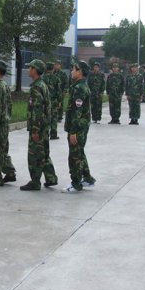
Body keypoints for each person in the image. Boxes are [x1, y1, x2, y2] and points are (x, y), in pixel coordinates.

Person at [20, 59, 58, 191]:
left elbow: (37, 109)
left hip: (38, 127)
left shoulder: (36, 87)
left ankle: (35, 182)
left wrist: (35, 129)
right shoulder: (43, 85)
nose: (28, 70)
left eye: (30, 68)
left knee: (34, 155)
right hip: (44, 126)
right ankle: (51, 178)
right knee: (43, 153)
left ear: (35, 70)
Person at [62, 60, 95, 193]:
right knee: (79, 151)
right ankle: (87, 178)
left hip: (78, 127)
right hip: (81, 126)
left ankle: (76, 183)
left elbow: (77, 111)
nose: (71, 71)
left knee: (74, 155)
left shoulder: (80, 88)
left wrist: (73, 132)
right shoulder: (79, 86)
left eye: (74, 69)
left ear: (80, 71)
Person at [43, 62, 61, 139]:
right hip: (54, 101)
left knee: (45, 116)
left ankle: (45, 134)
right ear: (53, 68)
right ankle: (53, 134)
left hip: (45, 101)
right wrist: (59, 101)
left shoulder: (42, 78)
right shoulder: (56, 78)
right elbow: (58, 91)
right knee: (54, 117)